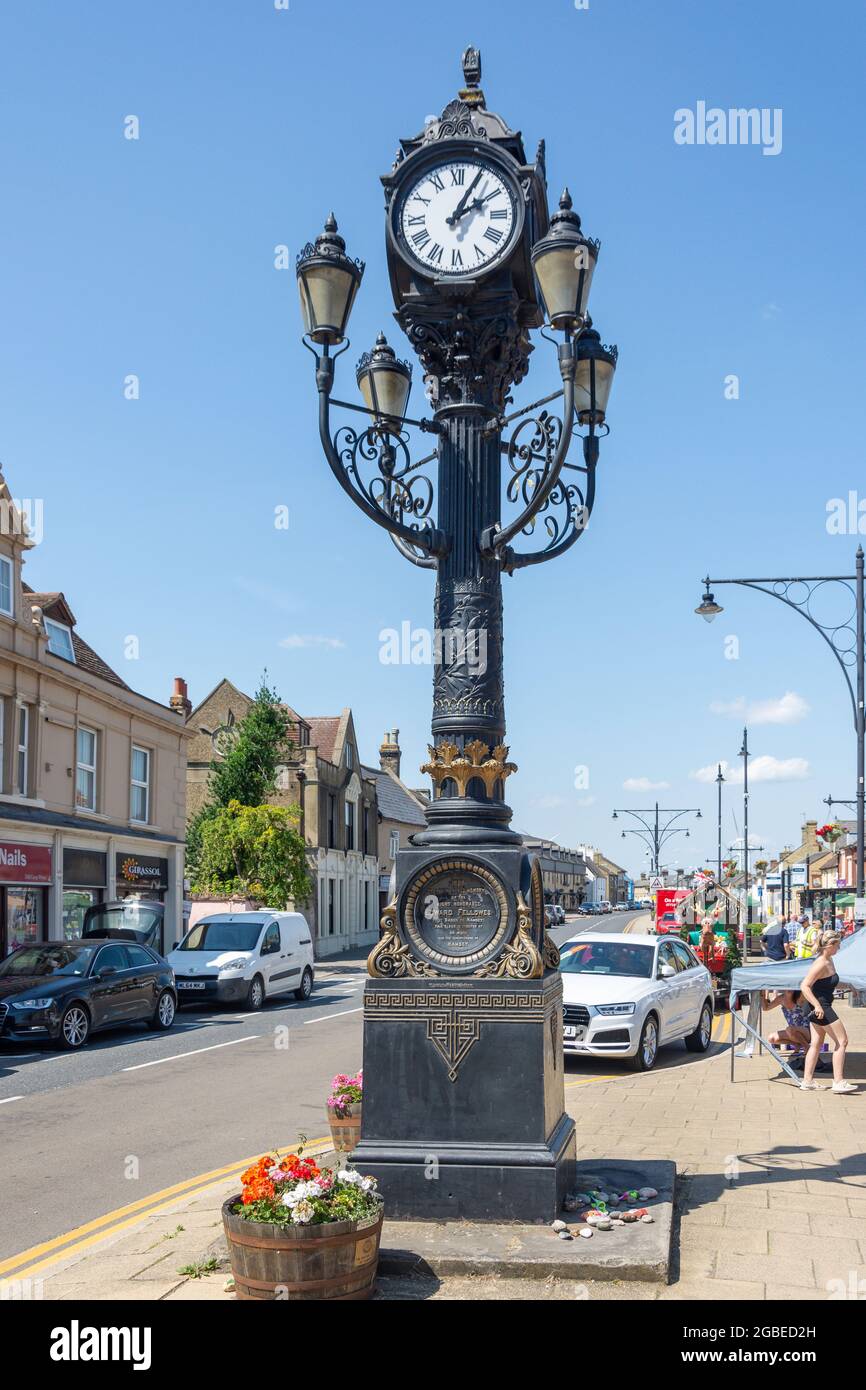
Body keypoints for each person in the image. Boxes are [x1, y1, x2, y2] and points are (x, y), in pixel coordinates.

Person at [800, 930, 856, 1093]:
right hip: (821, 1008)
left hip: (820, 1006)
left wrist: (848, 986)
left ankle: (807, 1081)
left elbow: (827, 983)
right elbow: (805, 986)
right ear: (830, 945)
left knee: (816, 1044)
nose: (839, 948)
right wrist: (817, 1006)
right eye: (838, 945)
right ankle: (838, 1082)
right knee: (842, 1041)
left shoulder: (829, 960)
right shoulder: (821, 962)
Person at [761, 989, 812, 1062]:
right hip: (792, 1032)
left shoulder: (800, 996)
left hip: (807, 1031)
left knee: (790, 1029)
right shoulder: (781, 998)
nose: (789, 988)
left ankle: (806, 1047)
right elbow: (765, 1008)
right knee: (771, 1038)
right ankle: (797, 1045)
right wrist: (762, 995)